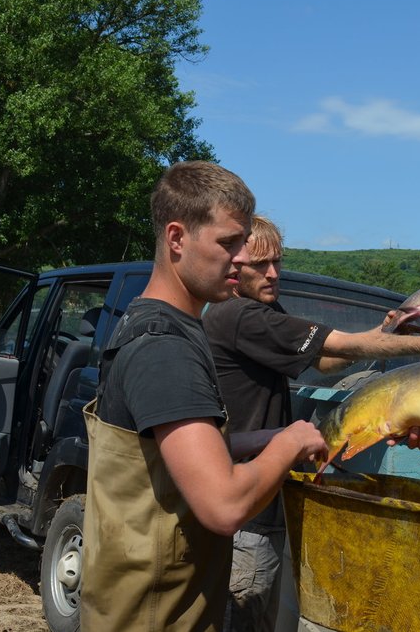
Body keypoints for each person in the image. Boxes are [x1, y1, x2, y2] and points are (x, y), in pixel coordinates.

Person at [202, 215, 420, 632]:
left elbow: (325, 358)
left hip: (260, 495)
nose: (273, 274)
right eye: (260, 265)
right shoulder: (241, 315)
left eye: (278, 262)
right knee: (243, 617)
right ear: (233, 264)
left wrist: (388, 329)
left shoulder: (259, 310)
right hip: (246, 509)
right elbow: (341, 344)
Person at [80, 161, 328, 630]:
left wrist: (272, 435)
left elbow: (173, 456)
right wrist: (289, 444)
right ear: (177, 238)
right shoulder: (164, 350)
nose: (240, 258)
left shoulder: (162, 326)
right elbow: (223, 506)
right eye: (228, 242)